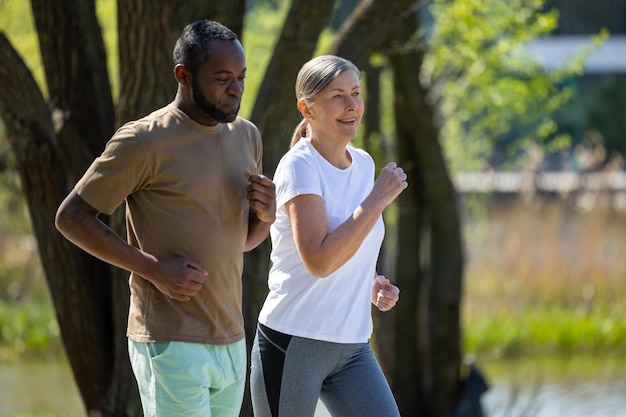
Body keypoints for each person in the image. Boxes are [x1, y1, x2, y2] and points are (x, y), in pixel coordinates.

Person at [55, 20, 276, 417]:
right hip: (170, 339)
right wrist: (154, 269)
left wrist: (266, 216)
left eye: (241, 77)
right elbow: (71, 217)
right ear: (184, 75)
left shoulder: (247, 136)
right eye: (222, 78)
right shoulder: (143, 140)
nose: (236, 89)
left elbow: (241, 240)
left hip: (231, 337)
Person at [250, 55, 407, 417]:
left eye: (355, 92)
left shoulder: (364, 164)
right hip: (294, 343)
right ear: (307, 108)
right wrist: (378, 197)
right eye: (337, 95)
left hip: (351, 346)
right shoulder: (299, 166)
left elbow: (351, 240)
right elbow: (319, 260)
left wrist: (368, 283)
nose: (352, 105)